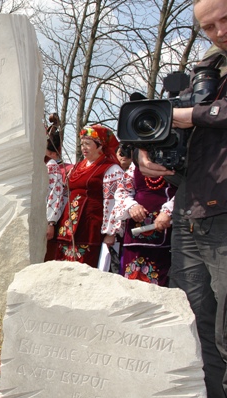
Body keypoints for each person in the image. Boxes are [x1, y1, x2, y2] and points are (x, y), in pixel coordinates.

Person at [138, 0, 227, 398]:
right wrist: (156, 159)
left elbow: (202, 119)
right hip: (190, 219)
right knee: (194, 335)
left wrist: (194, 115)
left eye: (225, 19)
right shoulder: (204, 72)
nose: (218, 32)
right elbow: (184, 143)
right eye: (208, 27)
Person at [54, 125, 124, 267]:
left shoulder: (111, 169)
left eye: (88, 144)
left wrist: (111, 232)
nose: (83, 148)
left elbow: (114, 202)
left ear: (100, 146)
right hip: (68, 227)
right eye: (82, 144)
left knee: (84, 267)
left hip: (90, 228)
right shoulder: (78, 166)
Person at [109, 163, 176, 286]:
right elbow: (122, 190)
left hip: (166, 231)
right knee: (130, 280)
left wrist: (169, 211)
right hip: (134, 234)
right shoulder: (137, 162)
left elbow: (188, 188)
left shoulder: (175, 158)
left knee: (158, 283)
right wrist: (131, 206)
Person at [44, 114, 66, 262]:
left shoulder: (51, 166)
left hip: (45, 220)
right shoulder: (42, 164)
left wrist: (50, 222)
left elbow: (54, 195)